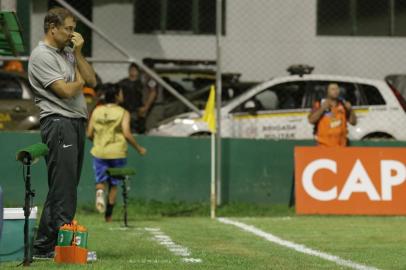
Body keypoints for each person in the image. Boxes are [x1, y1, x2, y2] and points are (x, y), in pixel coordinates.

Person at [28, 7, 96, 258]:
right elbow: (66, 91)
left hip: (74, 122)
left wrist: (78, 53)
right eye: (68, 28)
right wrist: (78, 82)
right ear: (52, 28)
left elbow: (92, 80)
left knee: (64, 187)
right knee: (64, 189)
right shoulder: (41, 55)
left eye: (73, 28)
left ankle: (43, 246)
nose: (72, 33)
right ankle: (64, 247)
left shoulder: (68, 52)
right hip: (58, 123)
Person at [86, 83, 147, 222]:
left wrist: (98, 142)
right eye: (121, 93)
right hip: (117, 152)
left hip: (99, 151)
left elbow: (89, 133)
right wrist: (138, 148)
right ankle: (108, 216)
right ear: (116, 96)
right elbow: (126, 133)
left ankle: (100, 193)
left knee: (100, 181)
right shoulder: (123, 112)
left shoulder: (96, 111)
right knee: (114, 185)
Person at [118, 63, 144, 132]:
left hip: (136, 109)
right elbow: (119, 93)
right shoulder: (123, 82)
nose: (132, 71)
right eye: (131, 70)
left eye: (134, 70)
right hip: (124, 108)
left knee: (135, 126)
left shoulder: (140, 84)